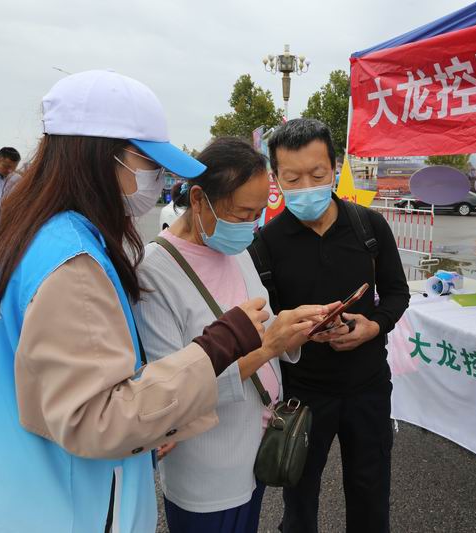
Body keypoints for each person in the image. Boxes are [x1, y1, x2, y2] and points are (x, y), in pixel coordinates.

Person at [0, 70, 270, 533]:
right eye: (149, 163)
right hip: (69, 508)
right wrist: (220, 344)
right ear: (102, 157)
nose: (157, 180)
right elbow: (98, 418)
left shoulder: (36, 236)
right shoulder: (74, 265)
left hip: (14, 494)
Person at [134, 137, 329, 533]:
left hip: (258, 447)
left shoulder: (237, 250)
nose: (250, 227)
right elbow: (173, 389)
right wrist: (268, 348)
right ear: (199, 199)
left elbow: (264, 325)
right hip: (209, 467)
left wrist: (293, 330)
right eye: (242, 214)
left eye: (257, 214)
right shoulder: (154, 272)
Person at [249, 118, 410, 533]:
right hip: (302, 394)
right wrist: (294, 332)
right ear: (276, 178)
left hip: (368, 386)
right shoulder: (265, 244)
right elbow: (265, 322)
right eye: (292, 179)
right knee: (299, 498)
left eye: (317, 174)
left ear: (335, 167)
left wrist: (373, 326)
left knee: (370, 491)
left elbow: (397, 293)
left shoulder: (369, 227)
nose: (306, 187)